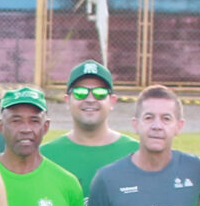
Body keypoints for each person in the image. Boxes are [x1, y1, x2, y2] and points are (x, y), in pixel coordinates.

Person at [43, 59, 137, 193]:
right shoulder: (46, 156)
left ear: (112, 101)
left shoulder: (135, 153)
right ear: (67, 101)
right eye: (80, 92)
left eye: (100, 93)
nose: (90, 99)